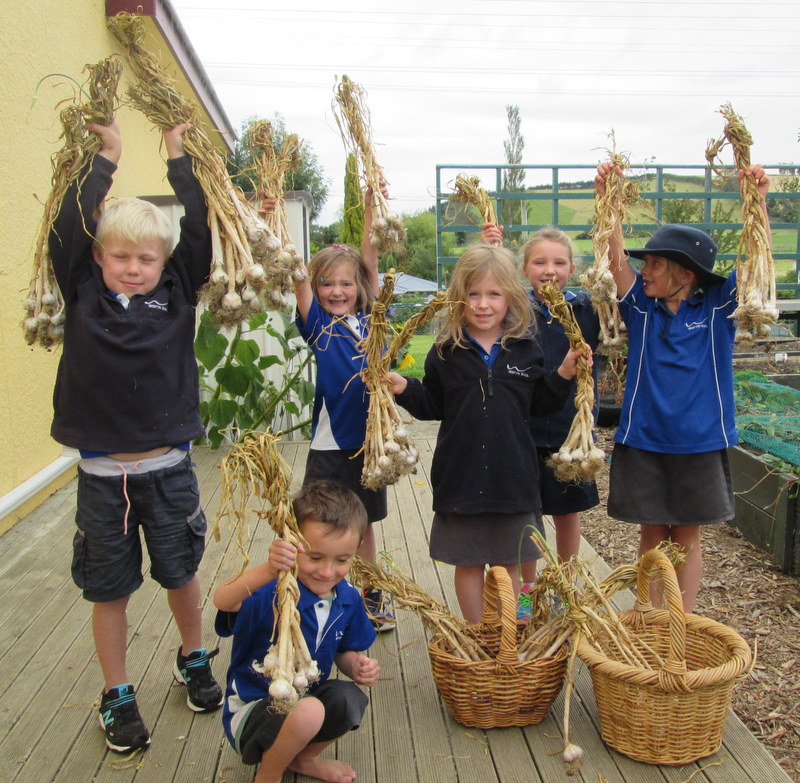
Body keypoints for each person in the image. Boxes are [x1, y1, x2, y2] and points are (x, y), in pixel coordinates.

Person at [48, 118, 222, 753]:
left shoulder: (176, 291)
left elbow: (198, 230)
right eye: (119, 256)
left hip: (168, 470)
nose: (132, 268)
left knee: (180, 574)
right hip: (102, 482)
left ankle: (193, 655)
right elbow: (67, 228)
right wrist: (106, 159)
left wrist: (178, 158)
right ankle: (117, 691)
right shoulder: (82, 291)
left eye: (145, 258)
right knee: (110, 589)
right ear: (98, 258)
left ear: (163, 263)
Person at [595, 160, 772, 611]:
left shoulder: (719, 306)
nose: (645, 270)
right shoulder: (641, 307)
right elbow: (616, 260)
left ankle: (682, 620)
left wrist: (758, 202)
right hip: (644, 439)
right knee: (652, 532)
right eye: (646, 263)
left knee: (687, 535)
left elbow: (756, 259)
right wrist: (607, 197)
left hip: (700, 441)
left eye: (656, 264)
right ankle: (651, 616)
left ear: (686, 274)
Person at [386, 245, 584, 623]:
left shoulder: (526, 349)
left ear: (510, 297)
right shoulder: (446, 352)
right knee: (469, 563)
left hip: (514, 478)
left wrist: (563, 374)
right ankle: (477, 632)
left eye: (493, 294)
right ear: (458, 299)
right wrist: (404, 388)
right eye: (472, 294)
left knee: (511, 561)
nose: (482, 304)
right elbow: (433, 405)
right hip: (461, 478)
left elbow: (541, 403)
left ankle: (513, 628)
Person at [213, 480, 380, 783]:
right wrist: (269, 570)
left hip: (306, 699)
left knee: (349, 699)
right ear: (293, 544)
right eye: (315, 557)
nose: (327, 572)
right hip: (252, 710)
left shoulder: (348, 598)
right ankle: (269, 774)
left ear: (356, 551)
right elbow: (223, 599)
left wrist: (355, 665)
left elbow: (344, 650)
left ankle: (304, 759)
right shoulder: (272, 589)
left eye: (342, 560)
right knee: (309, 711)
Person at [482, 224, 601, 618]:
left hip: (571, 433)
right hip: (523, 429)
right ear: (523, 268)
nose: (550, 270)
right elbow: (485, 287)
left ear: (572, 269)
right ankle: (526, 595)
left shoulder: (587, 309)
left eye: (559, 263)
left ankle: (566, 586)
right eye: (539, 262)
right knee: (526, 518)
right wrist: (490, 250)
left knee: (567, 513)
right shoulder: (515, 309)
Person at [293, 189, 396, 631]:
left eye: (346, 284)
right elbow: (295, 274)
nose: (337, 291)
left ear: (360, 289)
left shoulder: (372, 319)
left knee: (362, 523)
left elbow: (370, 260)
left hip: (370, 446)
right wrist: (274, 217)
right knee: (317, 522)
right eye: (327, 284)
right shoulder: (319, 325)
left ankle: (368, 594)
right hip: (331, 445)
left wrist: (371, 208)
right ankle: (312, 596)